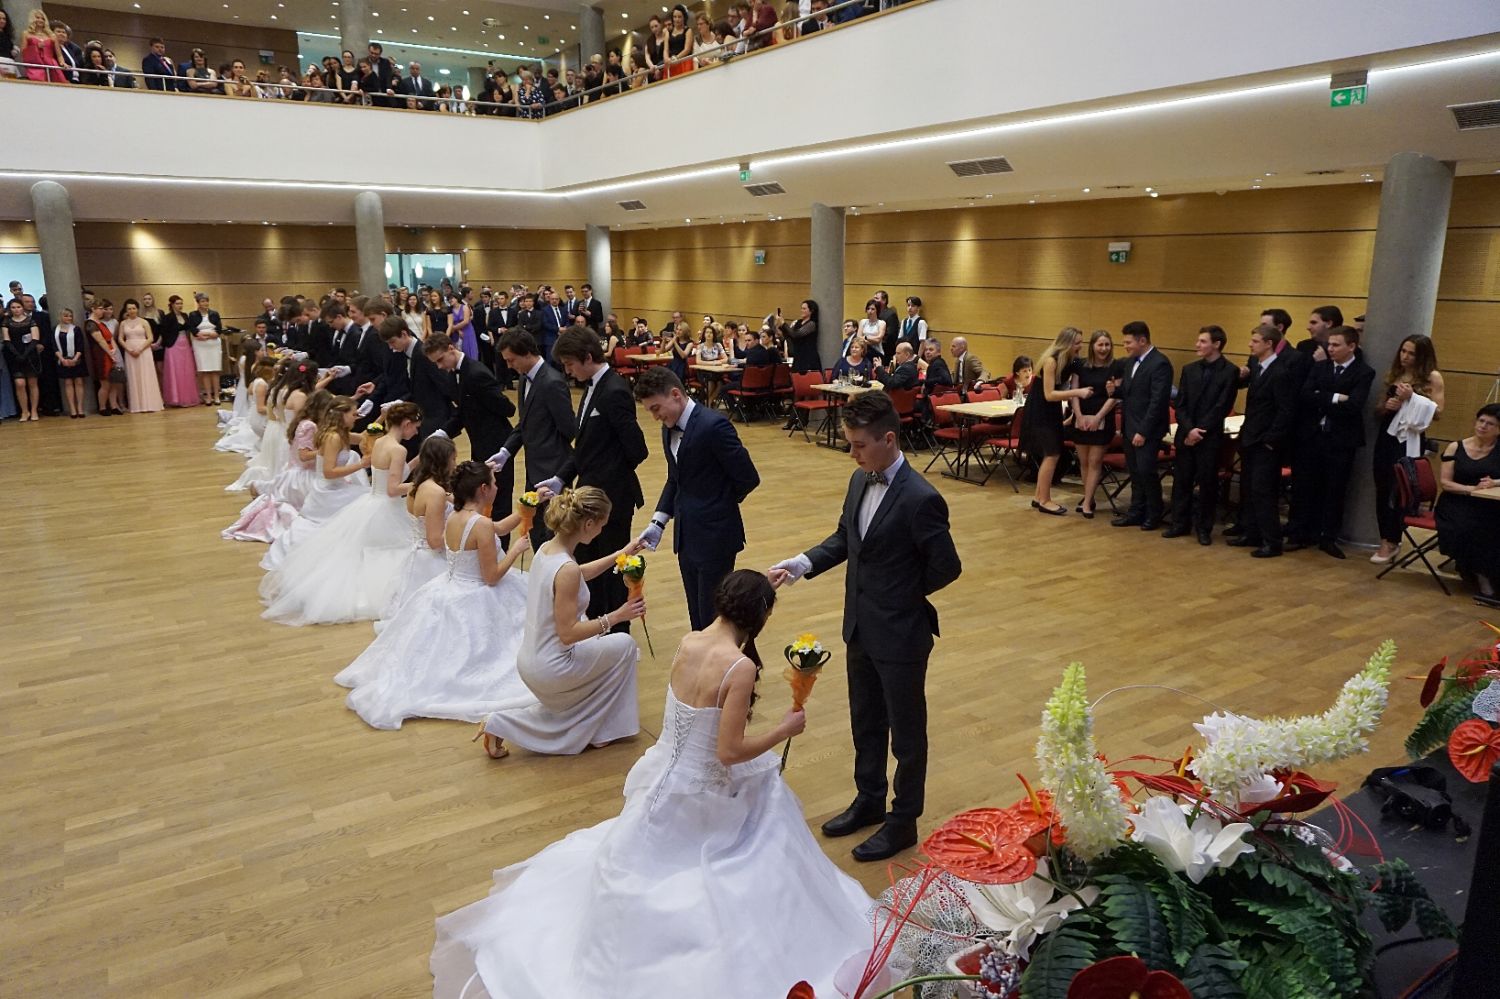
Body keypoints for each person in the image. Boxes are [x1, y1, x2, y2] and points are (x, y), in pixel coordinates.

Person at [433, 569, 871, 998]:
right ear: (759, 616)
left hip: (665, 771)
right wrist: (783, 730)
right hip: (702, 793)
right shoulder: (738, 668)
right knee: (770, 803)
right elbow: (728, 752)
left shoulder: (689, 640)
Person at [768, 391, 961, 862]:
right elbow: (845, 538)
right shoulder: (859, 480)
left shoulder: (921, 498)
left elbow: (947, 566)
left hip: (901, 633)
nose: (851, 453)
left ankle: (903, 821)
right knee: (866, 721)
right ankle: (869, 798)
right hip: (859, 625)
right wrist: (803, 563)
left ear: (888, 439)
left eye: (858, 445)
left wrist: (900, 593)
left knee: (907, 734)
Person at [338, 460, 532, 728]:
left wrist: (525, 510)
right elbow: (491, 577)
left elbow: (497, 528)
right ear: (484, 489)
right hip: (475, 592)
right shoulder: (480, 525)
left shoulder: (456, 516)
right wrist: (515, 551)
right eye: (494, 483)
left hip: (449, 586)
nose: (497, 487)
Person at [477, 486, 645, 758]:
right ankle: (603, 730)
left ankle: (503, 723)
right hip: (551, 667)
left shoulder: (547, 549)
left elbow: (577, 574)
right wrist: (617, 616)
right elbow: (568, 633)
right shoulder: (566, 568)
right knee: (625, 645)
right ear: (588, 524)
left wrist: (621, 554)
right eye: (601, 525)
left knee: (605, 649)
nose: (601, 531)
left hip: (530, 660)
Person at [261, 404, 424, 626]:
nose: (416, 431)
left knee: (364, 552)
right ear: (406, 424)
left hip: (372, 501)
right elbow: (393, 489)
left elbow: (390, 476)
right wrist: (421, 485)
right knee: (387, 551)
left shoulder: (380, 442)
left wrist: (418, 461)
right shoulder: (398, 449)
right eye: (415, 427)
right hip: (386, 506)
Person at [536, 328, 650, 627]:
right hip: (588, 498)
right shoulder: (590, 388)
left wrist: (602, 478)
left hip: (611, 499)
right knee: (589, 564)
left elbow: (637, 450)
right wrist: (561, 478)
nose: (567, 371)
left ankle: (618, 628)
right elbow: (585, 447)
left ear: (588, 357)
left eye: (570, 364)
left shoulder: (614, 391)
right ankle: (595, 624)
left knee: (613, 568)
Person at [634, 366, 761, 631]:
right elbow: (675, 479)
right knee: (696, 613)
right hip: (686, 537)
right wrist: (658, 521)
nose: (655, 417)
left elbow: (748, 477)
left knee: (712, 617)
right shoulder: (669, 427)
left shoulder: (713, 426)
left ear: (675, 394)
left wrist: (716, 504)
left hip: (715, 537)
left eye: (656, 408)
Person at [260, 397, 371, 572]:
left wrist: (383, 418)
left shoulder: (341, 434)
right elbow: (329, 472)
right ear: (341, 415)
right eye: (352, 414)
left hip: (337, 486)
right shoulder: (333, 437)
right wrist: (360, 465)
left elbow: (364, 437)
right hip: (329, 489)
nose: (355, 418)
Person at [1292, 326, 1375, 559]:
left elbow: (1354, 406)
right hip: (1313, 436)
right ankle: (1300, 533)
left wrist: (1322, 397)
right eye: (1329, 344)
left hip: (1341, 440)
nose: (1330, 349)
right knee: (1305, 486)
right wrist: (1337, 397)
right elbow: (1305, 395)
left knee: (1335, 490)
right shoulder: (1320, 367)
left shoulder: (1363, 372)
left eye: (1336, 345)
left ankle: (1327, 537)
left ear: (1352, 346)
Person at [490, 330, 576, 548]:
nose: (509, 366)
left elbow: (569, 429)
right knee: (536, 531)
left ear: (527, 353)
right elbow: (524, 423)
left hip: (554, 470)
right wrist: (506, 451)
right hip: (534, 469)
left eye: (511, 360)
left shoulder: (552, 383)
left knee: (554, 535)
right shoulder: (524, 378)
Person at [1371, 335, 1445, 565]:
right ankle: (1385, 537)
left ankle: (1393, 538)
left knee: (1400, 488)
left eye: (1411, 353)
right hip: (1387, 434)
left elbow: (1438, 412)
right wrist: (1387, 406)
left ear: (1422, 356)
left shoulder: (1432, 377)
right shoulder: (1395, 374)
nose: (1405, 357)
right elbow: (1379, 409)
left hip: (1410, 438)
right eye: (1403, 351)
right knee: (1382, 486)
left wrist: (1412, 398)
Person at [1162, 326, 1238, 544]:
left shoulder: (1229, 371)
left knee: (1207, 484)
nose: (1197, 344)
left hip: (1209, 437)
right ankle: (1180, 523)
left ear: (1217, 344)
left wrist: (1199, 431)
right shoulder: (1190, 369)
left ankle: (1204, 528)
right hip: (1187, 434)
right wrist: (1189, 429)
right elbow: (1180, 404)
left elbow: (1222, 406)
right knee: (1182, 481)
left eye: (1203, 341)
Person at [1229, 324, 1297, 559]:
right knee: (1249, 489)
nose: (1250, 344)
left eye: (1256, 341)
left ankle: (1272, 541)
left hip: (1266, 443)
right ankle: (1252, 533)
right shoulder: (1258, 368)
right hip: (1250, 438)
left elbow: (1286, 411)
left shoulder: (1280, 372)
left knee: (1263, 492)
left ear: (1269, 344)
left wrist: (1270, 440)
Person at [378, 434, 456, 629]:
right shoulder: (435, 492)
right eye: (453, 459)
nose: (455, 464)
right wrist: (461, 531)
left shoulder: (416, 485)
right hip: (434, 559)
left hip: (417, 555)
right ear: (442, 461)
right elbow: (435, 540)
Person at [1111, 321, 1174, 530]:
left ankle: (1154, 513)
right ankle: (1135, 512)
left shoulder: (1160, 363)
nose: (1125, 346)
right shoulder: (1131, 362)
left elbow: (1158, 402)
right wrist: (1114, 391)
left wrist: (1143, 431)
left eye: (1128, 342)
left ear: (1143, 340)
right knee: (1135, 474)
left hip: (1147, 430)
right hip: (1130, 427)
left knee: (1147, 472)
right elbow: (1130, 393)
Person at [1023, 327, 1093, 516]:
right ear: (1067, 343)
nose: (1080, 346)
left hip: (1051, 412)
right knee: (1052, 455)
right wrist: (1078, 392)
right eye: (1077, 343)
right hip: (1041, 412)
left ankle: (1038, 496)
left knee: (1052, 454)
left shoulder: (1070, 361)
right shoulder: (1051, 361)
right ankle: (1045, 500)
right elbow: (1049, 394)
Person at [1435, 405, 1500, 606]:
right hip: (1456, 503)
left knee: (1493, 524)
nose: (1483, 426)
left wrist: (1495, 482)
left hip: (1488, 504)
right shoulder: (1456, 447)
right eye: (1481, 421)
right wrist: (1471, 489)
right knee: (1478, 529)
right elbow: (1446, 483)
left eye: (1490, 424)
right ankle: (1484, 582)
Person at [1068, 331, 1118, 518]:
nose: (1104, 348)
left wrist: (1098, 417)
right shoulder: (1079, 365)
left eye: (1107, 345)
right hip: (1081, 419)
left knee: (1094, 462)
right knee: (1083, 462)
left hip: (1103, 419)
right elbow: (1074, 392)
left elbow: (1114, 397)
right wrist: (1079, 416)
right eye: (1100, 345)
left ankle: (1088, 502)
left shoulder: (1116, 366)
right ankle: (1088, 497)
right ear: (1092, 346)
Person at [117, 299, 162, 414]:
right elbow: (120, 338)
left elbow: (150, 338)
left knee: (146, 375)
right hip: (130, 352)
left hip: (144, 351)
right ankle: (137, 405)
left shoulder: (144, 322)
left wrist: (140, 349)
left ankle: (150, 403)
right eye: (129, 309)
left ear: (137, 309)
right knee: (133, 376)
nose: (131, 311)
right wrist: (129, 349)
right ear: (126, 310)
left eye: (134, 308)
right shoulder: (123, 323)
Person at [2, 297, 42, 421]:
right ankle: (25, 411)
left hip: (30, 355)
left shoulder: (31, 321)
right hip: (15, 356)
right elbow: (7, 340)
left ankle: (34, 410)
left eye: (18, 307)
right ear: (10, 309)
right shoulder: (6, 322)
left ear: (22, 308)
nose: (16, 310)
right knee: (19, 384)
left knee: (32, 383)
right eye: (13, 307)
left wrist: (25, 354)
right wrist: (17, 354)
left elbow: (35, 339)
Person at [85, 302, 127, 416]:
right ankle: (102, 407)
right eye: (100, 309)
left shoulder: (102, 323)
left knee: (113, 381)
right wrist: (110, 353)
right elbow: (100, 340)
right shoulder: (90, 324)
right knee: (105, 383)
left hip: (110, 351)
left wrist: (115, 351)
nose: (103, 311)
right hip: (100, 354)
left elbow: (111, 338)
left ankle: (114, 406)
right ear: (93, 309)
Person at [52, 307, 88, 418]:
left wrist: (74, 359)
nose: (68, 318)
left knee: (79, 382)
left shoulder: (76, 329)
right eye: (66, 316)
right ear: (60, 317)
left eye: (70, 316)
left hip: (76, 359)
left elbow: (80, 346)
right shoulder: (55, 330)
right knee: (68, 383)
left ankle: (80, 408)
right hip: (62, 360)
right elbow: (54, 346)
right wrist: (62, 359)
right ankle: (72, 409)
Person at [189, 292, 223, 406]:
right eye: (203, 301)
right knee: (205, 371)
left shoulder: (215, 314)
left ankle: (216, 396)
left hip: (214, 344)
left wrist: (209, 335)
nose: (205, 303)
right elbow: (193, 329)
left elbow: (219, 329)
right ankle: (208, 396)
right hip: (200, 345)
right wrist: (201, 335)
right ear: (198, 303)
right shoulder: (193, 315)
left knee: (215, 370)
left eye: (207, 301)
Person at [776, 300, 822, 375]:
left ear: (811, 311)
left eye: (804, 309)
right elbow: (790, 335)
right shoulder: (798, 322)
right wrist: (781, 326)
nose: (802, 310)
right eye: (801, 308)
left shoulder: (811, 324)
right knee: (795, 378)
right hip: (798, 356)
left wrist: (784, 323)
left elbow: (796, 334)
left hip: (808, 357)